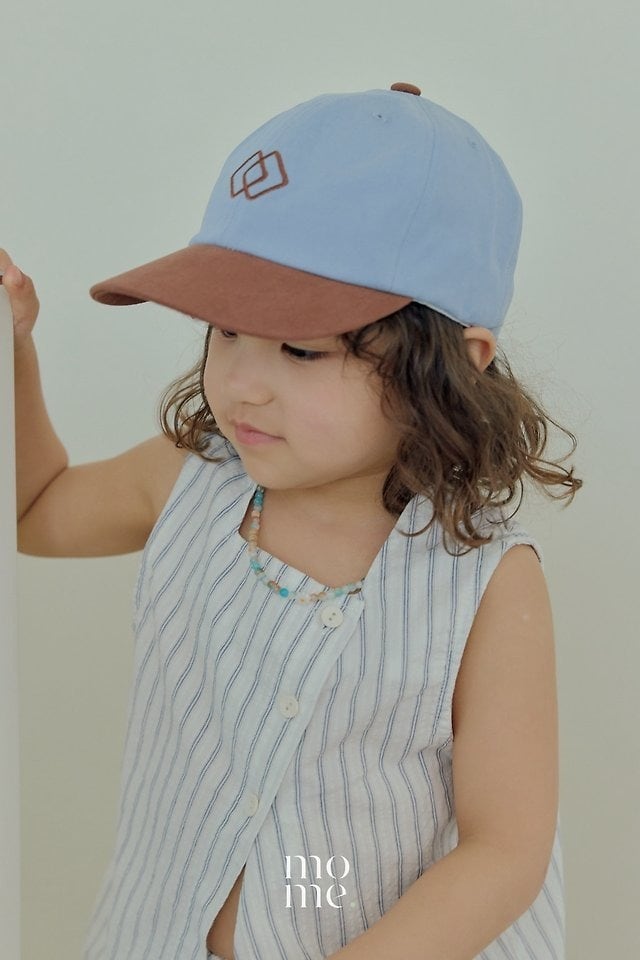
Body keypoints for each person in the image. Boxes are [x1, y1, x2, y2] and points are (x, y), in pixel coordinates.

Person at [7, 81, 582, 960]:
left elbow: (504, 853)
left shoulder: (486, 584)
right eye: (225, 332)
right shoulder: (190, 480)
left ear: (454, 363)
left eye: (302, 349)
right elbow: (33, 510)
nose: (242, 383)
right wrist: (12, 349)